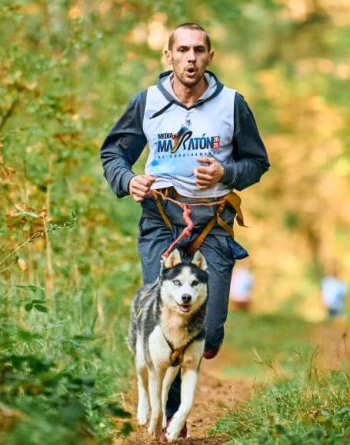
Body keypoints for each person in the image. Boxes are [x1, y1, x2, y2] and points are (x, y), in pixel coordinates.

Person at [100, 22, 270, 436]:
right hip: (161, 219)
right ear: (168, 56)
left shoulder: (232, 104)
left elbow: (257, 162)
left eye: (198, 50)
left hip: (213, 221)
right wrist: (128, 180)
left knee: (207, 330)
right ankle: (172, 421)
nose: (190, 58)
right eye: (183, 50)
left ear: (210, 57)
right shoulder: (147, 102)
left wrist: (226, 171)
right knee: (168, 322)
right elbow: (113, 154)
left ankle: (207, 340)